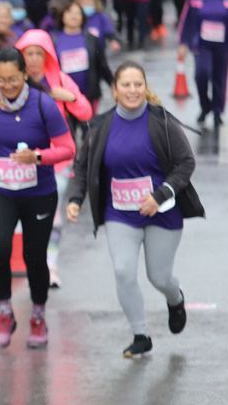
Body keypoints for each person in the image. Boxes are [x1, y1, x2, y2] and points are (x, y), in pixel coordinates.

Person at [66, 62, 201, 358]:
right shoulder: (101, 125)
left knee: (159, 277)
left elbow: (185, 163)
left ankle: (175, 298)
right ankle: (140, 334)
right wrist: (75, 199)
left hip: (162, 212)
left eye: (138, 84)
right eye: (125, 85)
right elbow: (83, 165)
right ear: (115, 90)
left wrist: (160, 195)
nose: (132, 90)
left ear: (145, 87)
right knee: (123, 270)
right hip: (120, 213)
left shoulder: (162, 121)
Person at [0, 48, 76, 349]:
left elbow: (67, 148)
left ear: (25, 75)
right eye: (1, 80)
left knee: (34, 258)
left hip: (38, 193)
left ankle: (38, 315)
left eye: (13, 79)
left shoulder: (44, 105)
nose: (7, 86)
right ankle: (5, 312)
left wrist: (38, 156)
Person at [15, 29, 93, 288]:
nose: (34, 59)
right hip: (22, 159)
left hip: (56, 161)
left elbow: (85, 112)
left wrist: (70, 97)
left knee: (51, 214)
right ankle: (28, 262)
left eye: (40, 53)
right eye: (29, 53)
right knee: (23, 214)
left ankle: (51, 265)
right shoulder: (13, 81)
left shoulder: (60, 79)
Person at [51, 0, 113, 113]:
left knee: (90, 128)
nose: (73, 16)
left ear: (82, 17)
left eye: (77, 13)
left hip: (89, 94)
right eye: (69, 12)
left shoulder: (91, 38)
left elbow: (102, 64)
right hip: (64, 96)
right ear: (62, 16)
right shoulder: (54, 40)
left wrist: (113, 85)